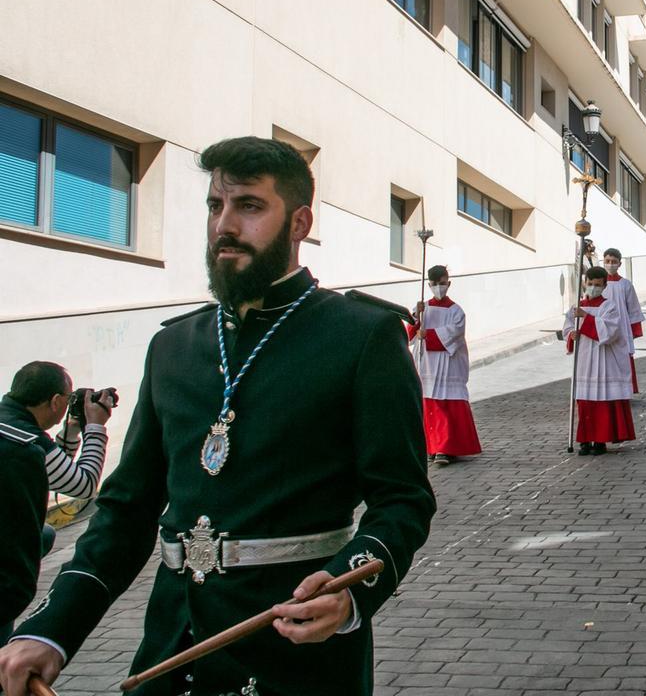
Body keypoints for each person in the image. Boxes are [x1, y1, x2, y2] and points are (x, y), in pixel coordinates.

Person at [0, 137, 436, 696]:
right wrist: (52, 630)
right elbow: (127, 510)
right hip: (172, 647)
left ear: (299, 222)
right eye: (215, 206)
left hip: (298, 655)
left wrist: (351, 592)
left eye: (249, 206)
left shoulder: (361, 336)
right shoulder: (174, 347)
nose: (224, 225)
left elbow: (403, 499)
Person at [0, 363, 113, 645]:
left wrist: (71, 431)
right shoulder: (26, 443)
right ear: (55, 401)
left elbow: (49, 472)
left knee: (46, 534)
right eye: (68, 397)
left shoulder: (12, 429)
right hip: (3, 575)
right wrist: (96, 428)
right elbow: (82, 484)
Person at [410, 265, 481, 466]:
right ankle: (431, 447)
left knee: (447, 405)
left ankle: (447, 448)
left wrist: (429, 335)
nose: (438, 288)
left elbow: (455, 333)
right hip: (427, 363)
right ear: (429, 284)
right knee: (429, 404)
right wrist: (416, 318)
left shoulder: (456, 311)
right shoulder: (423, 308)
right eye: (434, 284)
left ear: (448, 283)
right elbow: (410, 333)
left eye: (442, 284)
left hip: (448, 362)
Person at [564, 266, 636, 454]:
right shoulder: (575, 307)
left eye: (597, 285)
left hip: (603, 359)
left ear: (604, 286)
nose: (593, 288)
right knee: (585, 402)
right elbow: (567, 328)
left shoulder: (609, 306)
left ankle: (600, 440)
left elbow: (610, 331)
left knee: (601, 402)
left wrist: (586, 318)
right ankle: (585, 440)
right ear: (584, 284)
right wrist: (571, 334)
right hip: (584, 359)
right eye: (590, 284)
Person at [601, 248, 646, 394]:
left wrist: (634, 330)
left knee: (622, 358)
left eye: (614, 262)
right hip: (602, 326)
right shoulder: (598, 283)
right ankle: (606, 390)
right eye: (607, 261)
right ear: (603, 262)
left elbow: (633, 308)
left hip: (622, 327)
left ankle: (623, 390)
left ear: (619, 264)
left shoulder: (625, 284)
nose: (610, 264)